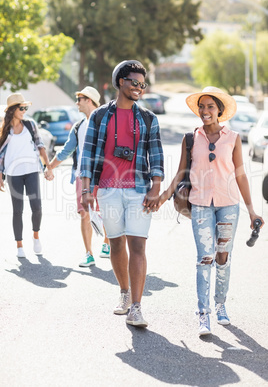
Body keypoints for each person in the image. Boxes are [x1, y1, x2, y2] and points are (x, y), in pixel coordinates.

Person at [157, 86, 264, 336]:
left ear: (220, 111)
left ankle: (220, 305)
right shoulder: (191, 138)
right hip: (201, 205)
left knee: (222, 258)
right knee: (204, 258)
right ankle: (203, 313)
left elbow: (241, 175)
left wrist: (251, 211)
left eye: (210, 107)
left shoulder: (234, 138)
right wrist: (161, 197)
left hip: (228, 205)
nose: (205, 111)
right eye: (202, 107)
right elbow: (180, 174)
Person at [80, 60, 164, 327]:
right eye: (134, 82)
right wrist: (85, 189)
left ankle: (137, 308)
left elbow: (157, 156)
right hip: (107, 188)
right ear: (120, 82)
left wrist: (156, 186)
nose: (139, 87)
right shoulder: (100, 116)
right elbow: (88, 154)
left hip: (139, 190)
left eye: (143, 84)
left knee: (138, 245)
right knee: (116, 243)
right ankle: (124, 294)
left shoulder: (149, 118)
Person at [48, 86, 110, 267]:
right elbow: (67, 150)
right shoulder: (78, 127)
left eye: (79, 99)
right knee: (84, 213)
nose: (77, 103)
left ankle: (107, 243)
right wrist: (50, 166)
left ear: (88, 100)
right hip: (82, 176)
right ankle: (88, 253)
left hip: (103, 175)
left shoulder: (105, 124)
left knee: (105, 211)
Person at [0, 93, 54, 258]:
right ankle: (19, 246)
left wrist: (48, 167)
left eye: (25, 108)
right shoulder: (5, 130)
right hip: (13, 174)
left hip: (31, 171)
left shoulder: (30, 125)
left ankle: (36, 235)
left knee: (37, 207)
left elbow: (40, 146)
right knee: (18, 210)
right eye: (21, 108)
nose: (24, 111)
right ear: (12, 110)